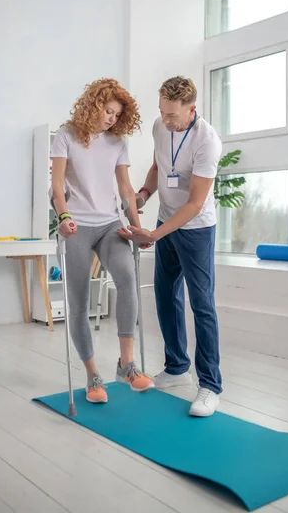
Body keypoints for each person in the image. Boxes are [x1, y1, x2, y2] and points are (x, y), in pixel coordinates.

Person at [118, 76, 222, 417]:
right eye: (162, 112)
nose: (166, 120)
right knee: (165, 294)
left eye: (173, 115)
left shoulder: (207, 142)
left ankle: (209, 386)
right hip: (164, 220)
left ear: (192, 109)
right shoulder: (160, 127)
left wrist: (154, 235)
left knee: (202, 304)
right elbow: (157, 166)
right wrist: (144, 194)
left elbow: (194, 204)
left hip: (195, 228)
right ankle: (177, 368)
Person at [51, 78, 154, 404]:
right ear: (94, 105)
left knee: (127, 279)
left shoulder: (116, 142)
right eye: (108, 111)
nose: (112, 118)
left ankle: (127, 364)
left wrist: (137, 228)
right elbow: (56, 188)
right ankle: (92, 374)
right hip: (77, 226)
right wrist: (64, 217)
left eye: (117, 114)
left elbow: (126, 190)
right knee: (79, 303)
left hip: (110, 224)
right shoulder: (67, 135)